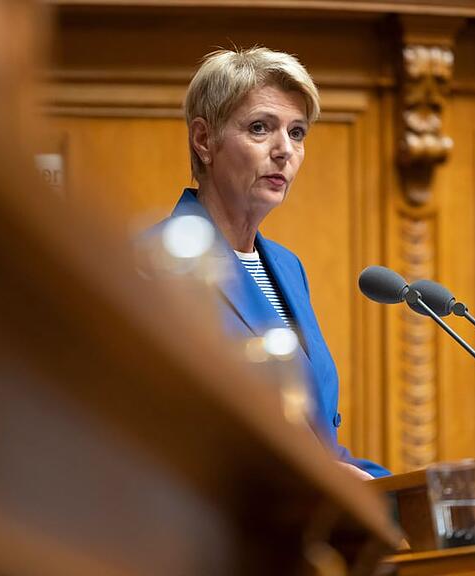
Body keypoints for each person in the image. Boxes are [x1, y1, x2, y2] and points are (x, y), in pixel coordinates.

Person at [169, 47, 389, 479]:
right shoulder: (165, 260)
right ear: (204, 140)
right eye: (260, 128)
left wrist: (396, 490)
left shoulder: (288, 268)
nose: (285, 150)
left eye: (297, 132)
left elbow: (317, 438)